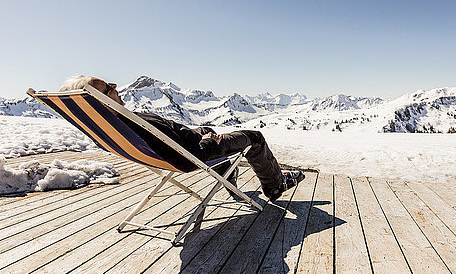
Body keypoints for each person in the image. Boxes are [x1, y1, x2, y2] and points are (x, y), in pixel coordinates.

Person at [60, 75, 305, 201]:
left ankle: (232, 185)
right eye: (108, 87)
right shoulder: (135, 123)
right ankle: (275, 185)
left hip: (185, 146)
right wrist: (210, 139)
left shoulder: (117, 123)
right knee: (255, 137)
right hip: (193, 154)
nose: (116, 86)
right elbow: (193, 156)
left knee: (210, 129)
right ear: (98, 100)